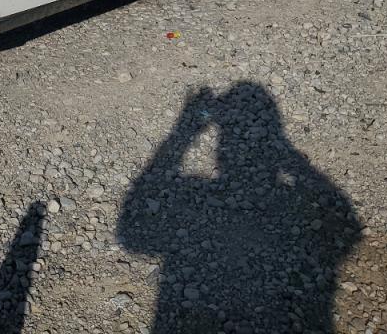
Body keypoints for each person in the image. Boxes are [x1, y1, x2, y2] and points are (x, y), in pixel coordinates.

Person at [118, 83, 362, 333]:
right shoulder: (290, 198)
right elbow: (346, 226)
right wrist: (282, 150)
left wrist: (184, 133)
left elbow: (132, 234)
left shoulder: (196, 190)